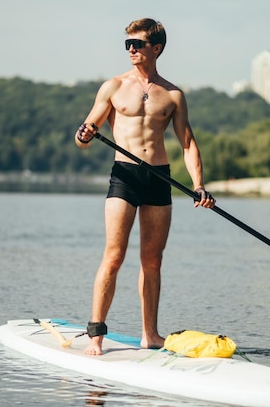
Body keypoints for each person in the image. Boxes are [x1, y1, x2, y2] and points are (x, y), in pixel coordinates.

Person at [74, 18, 215, 356]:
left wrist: (199, 185)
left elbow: (188, 143)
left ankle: (150, 334)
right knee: (114, 256)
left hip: (159, 178)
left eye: (137, 44)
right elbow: (86, 132)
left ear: (157, 48)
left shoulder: (173, 94)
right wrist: (84, 135)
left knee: (153, 260)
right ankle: (96, 333)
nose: (131, 49)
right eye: (128, 45)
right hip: (124, 176)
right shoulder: (113, 87)